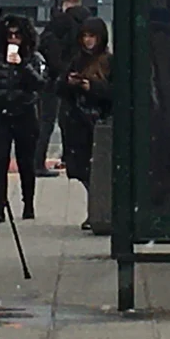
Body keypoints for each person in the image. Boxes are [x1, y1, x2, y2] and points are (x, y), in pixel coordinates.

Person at [0, 15, 47, 223]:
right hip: (1, 114)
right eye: (9, 35)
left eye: (17, 35)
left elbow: (40, 84)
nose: (13, 39)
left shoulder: (34, 59)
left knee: (26, 162)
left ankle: (28, 204)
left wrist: (22, 65)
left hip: (26, 113)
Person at [58, 17, 112, 231]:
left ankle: (97, 211)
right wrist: (70, 83)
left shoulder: (109, 61)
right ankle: (96, 210)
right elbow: (58, 88)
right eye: (85, 36)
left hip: (99, 121)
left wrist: (94, 88)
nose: (89, 41)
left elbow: (115, 92)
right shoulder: (77, 60)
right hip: (78, 121)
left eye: (93, 36)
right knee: (81, 168)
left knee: (96, 169)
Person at [37, 0, 92, 176]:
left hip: (55, 80)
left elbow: (46, 47)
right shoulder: (88, 23)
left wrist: (59, 70)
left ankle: (38, 162)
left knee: (47, 121)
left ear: (65, 6)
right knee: (71, 120)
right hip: (79, 78)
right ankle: (71, 158)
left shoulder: (59, 23)